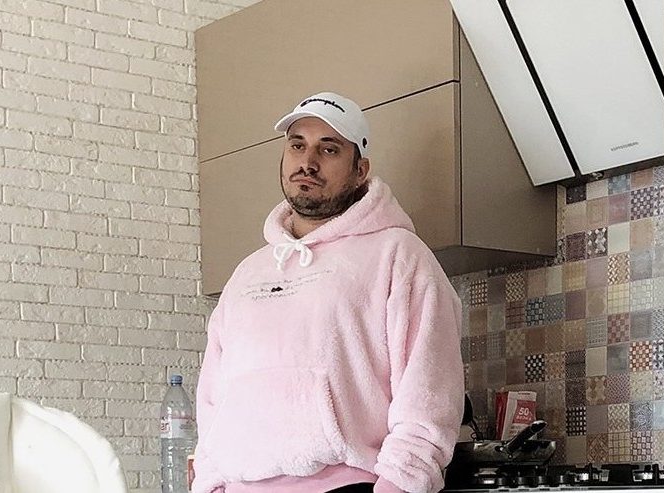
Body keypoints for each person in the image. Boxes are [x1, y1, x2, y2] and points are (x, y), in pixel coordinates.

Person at [192, 92, 464, 493]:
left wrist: (399, 484)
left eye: (329, 149)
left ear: (360, 170)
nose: (308, 161)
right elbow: (213, 398)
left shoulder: (399, 255)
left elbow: (429, 391)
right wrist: (210, 481)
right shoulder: (247, 274)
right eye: (297, 145)